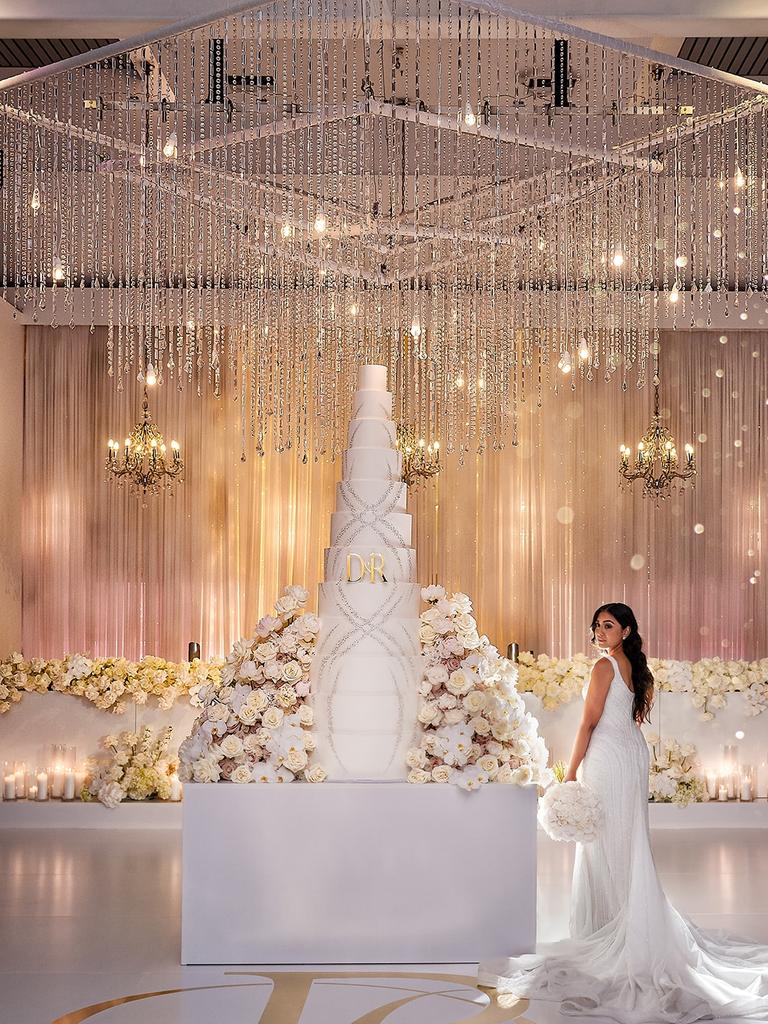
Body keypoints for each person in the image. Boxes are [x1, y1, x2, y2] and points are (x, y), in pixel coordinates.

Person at [478, 602, 768, 1022]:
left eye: (608, 626)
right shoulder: (630, 664)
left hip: (608, 759)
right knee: (624, 840)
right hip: (630, 755)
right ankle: (618, 919)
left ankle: (610, 927)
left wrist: (572, 770)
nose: (599, 632)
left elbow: (588, 723)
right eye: (596, 625)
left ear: (627, 630)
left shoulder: (604, 666)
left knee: (605, 841)